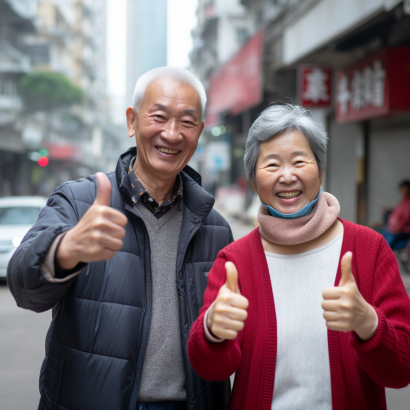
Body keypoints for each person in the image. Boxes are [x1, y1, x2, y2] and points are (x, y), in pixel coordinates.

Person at [7, 67, 233, 410]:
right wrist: (64, 250)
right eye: (158, 117)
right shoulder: (79, 203)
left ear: (199, 132)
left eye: (187, 122)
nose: (172, 134)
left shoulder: (216, 228)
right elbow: (23, 285)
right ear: (132, 121)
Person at [187, 104, 410, 410]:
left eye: (299, 161)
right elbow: (211, 369)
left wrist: (369, 323)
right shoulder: (234, 261)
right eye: (272, 165)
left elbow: (401, 372)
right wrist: (212, 329)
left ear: (320, 169)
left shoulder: (370, 249)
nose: (287, 176)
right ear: (253, 182)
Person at [380, 180, 410, 250]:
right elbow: (398, 212)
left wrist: (396, 225)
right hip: (394, 227)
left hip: (402, 230)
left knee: (386, 245)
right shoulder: (404, 200)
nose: (401, 191)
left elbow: (406, 217)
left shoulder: (408, 201)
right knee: (380, 236)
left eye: (403, 189)